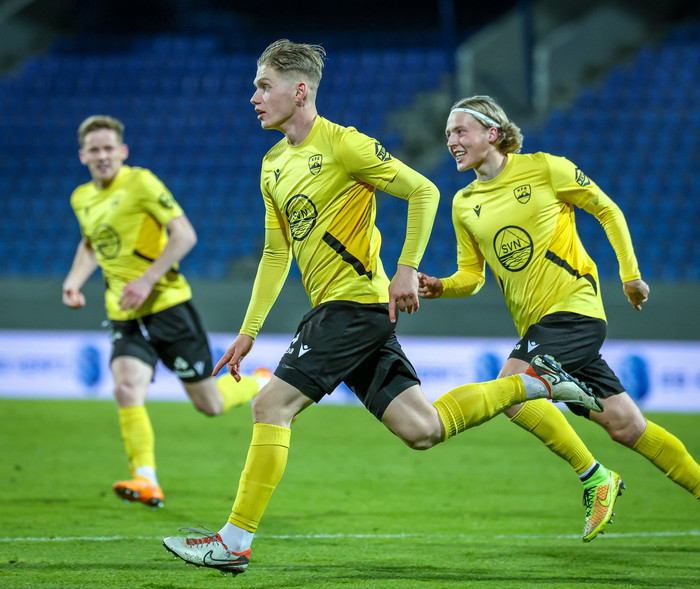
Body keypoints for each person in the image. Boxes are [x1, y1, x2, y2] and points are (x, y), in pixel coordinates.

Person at [161, 39, 602, 577]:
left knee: (269, 406)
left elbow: (424, 192)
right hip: (350, 314)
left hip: (351, 306)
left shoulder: (345, 145)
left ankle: (233, 542)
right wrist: (248, 331)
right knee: (423, 429)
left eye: (263, 86)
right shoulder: (272, 164)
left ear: (299, 91)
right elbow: (277, 253)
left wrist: (407, 268)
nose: (253, 97)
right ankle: (535, 384)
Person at [418, 95, 700, 525]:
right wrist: (441, 286)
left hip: (575, 310)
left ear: (491, 133)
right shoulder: (464, 203)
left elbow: (606, 209)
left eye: (460, 131)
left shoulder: (546, 168)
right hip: (540, 329)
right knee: (627, 426)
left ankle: (594, 477)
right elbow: (472, 276)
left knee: (511, 390)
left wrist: (630, 275)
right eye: (447, 135)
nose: (451, 141)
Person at [62, 115, 269, 508]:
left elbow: (184, 235)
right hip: (124, 313)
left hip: (168, 307)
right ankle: (146, 478)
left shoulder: (140, 183)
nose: (102, 156)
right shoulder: (81, 198)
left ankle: (259, 382)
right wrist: (73, 280)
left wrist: (147, 280)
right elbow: (91, 244)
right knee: (125, 387)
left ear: (122, 151)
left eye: (109, 148)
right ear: (83, 156)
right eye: (94, 150)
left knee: (209, 404)